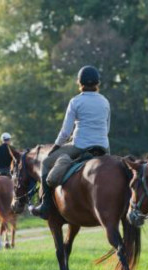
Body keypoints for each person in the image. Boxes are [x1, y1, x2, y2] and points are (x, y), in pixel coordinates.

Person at [30, 65, 111, 219]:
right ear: (97, 83)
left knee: (47, 162)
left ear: (79, 82)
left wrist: (56, 146)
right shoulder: (105, 101)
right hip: (103, 147)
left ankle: (45, 205)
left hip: (79, 146)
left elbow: (66, 131)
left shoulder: (76, 101)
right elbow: (107, 128)